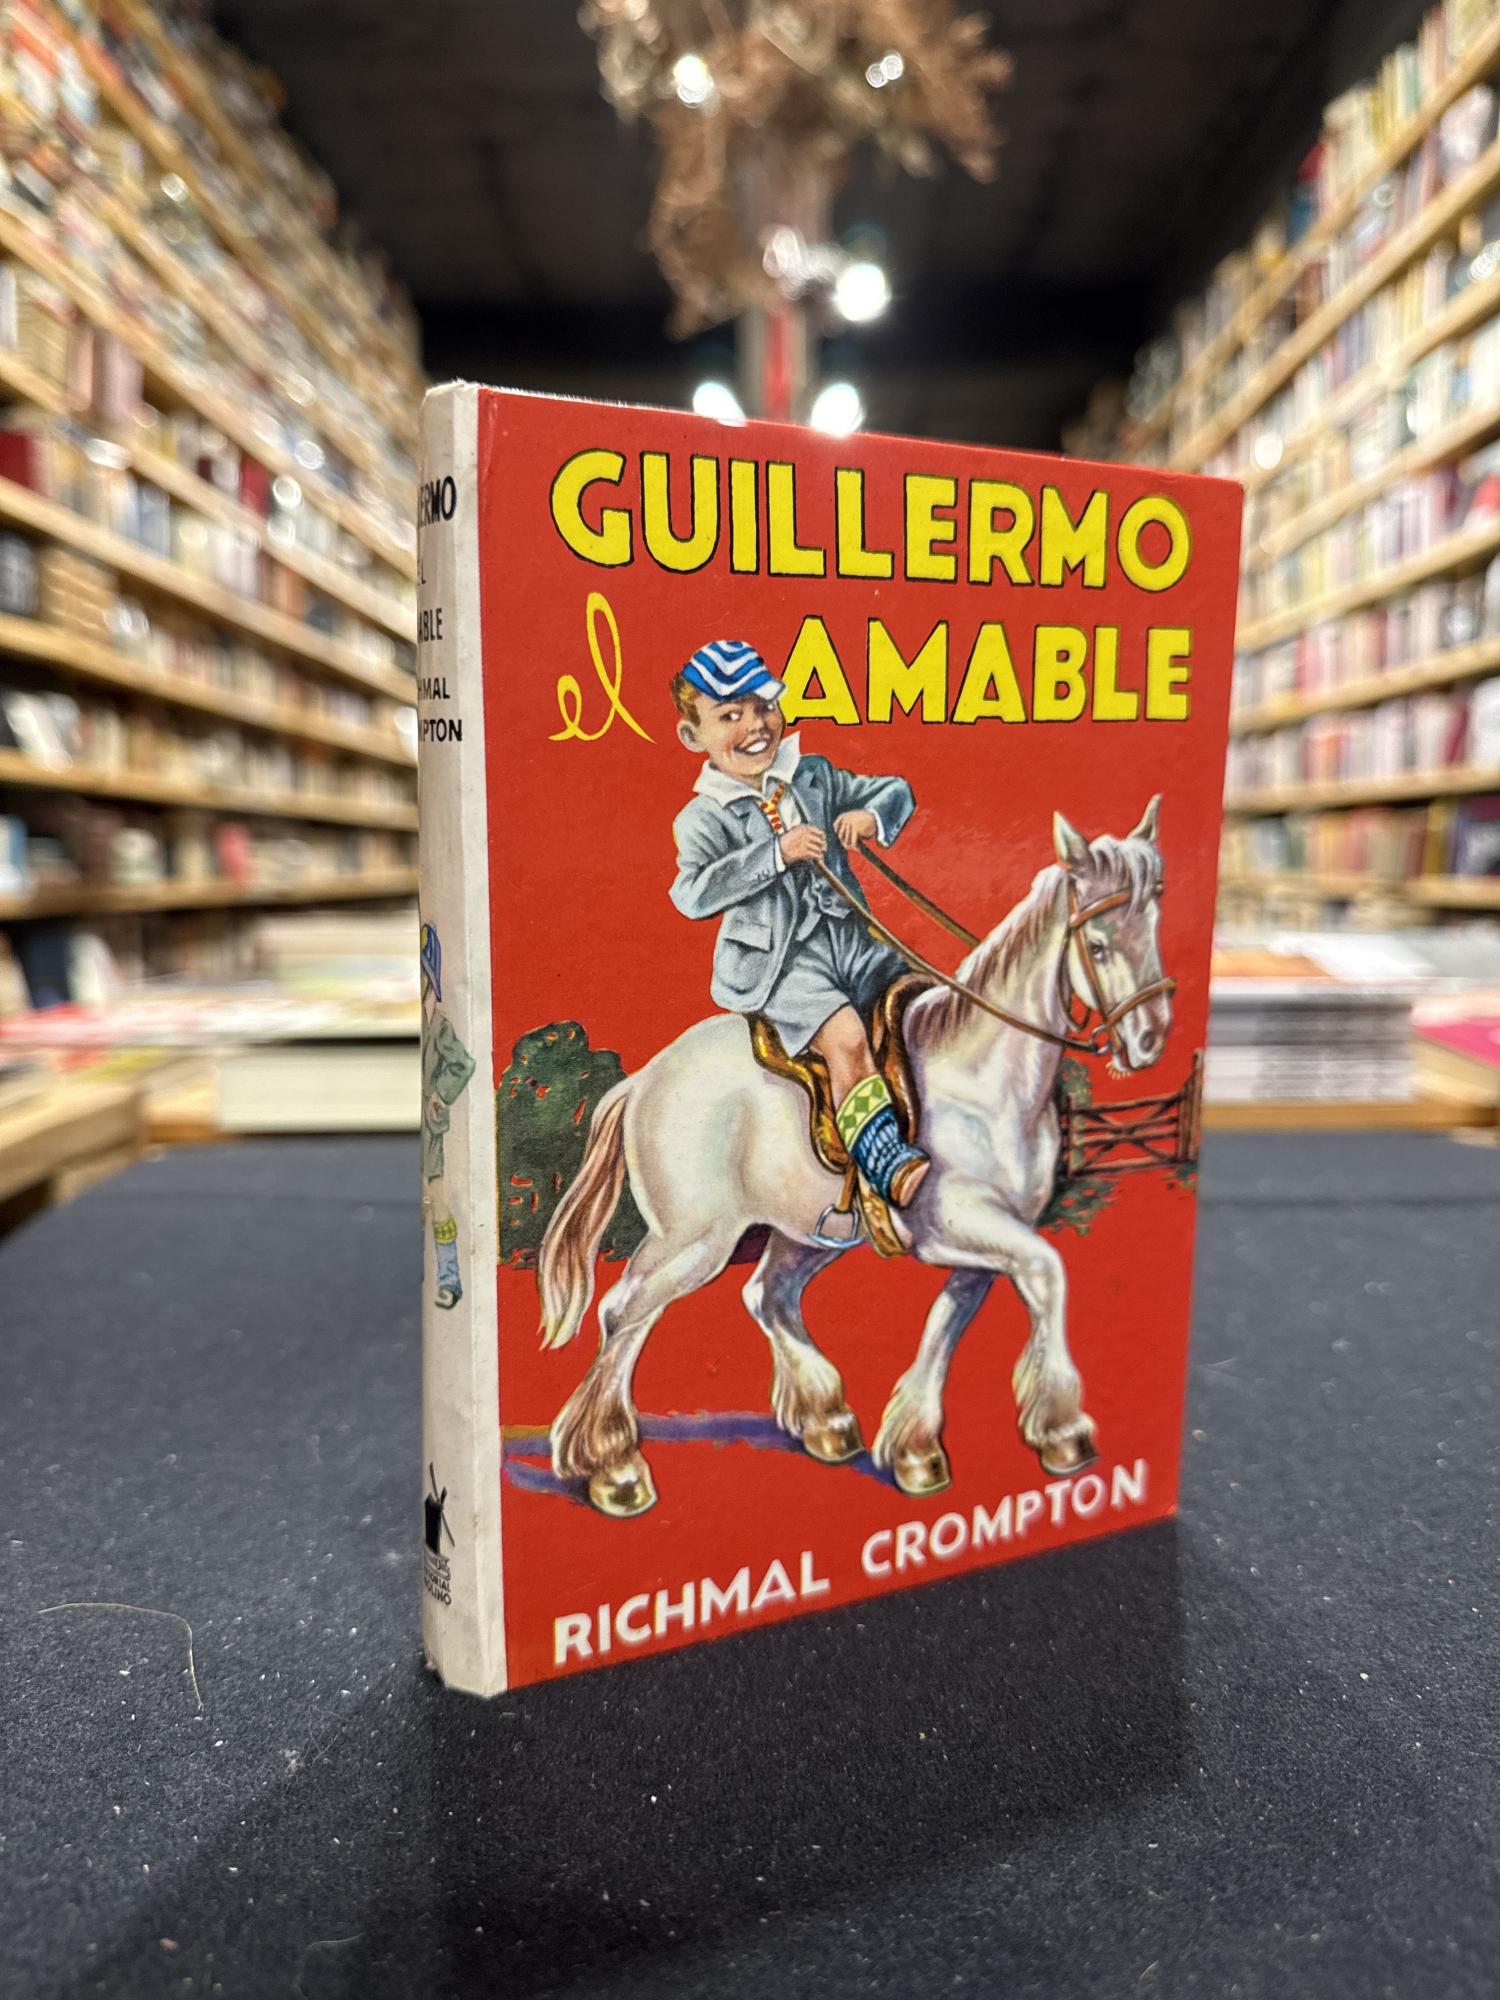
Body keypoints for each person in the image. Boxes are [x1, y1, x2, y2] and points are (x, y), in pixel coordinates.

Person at [668, 637, 930, 1210]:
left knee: (930, 1005)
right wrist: (776, 854)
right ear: (693, 736)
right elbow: (692, 893)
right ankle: (884, 1162)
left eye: (764, 706)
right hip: (781, 966)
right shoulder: (701, 817)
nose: (755, 726)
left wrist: (871, 815)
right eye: (729, 716)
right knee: (847, 1037)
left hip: (853, 943)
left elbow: (895, 791)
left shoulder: (812, 776)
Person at [420, 921, 476, 1309]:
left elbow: (463, 1064)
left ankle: (449, 1280)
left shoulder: (439, 1025)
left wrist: (440, 1095)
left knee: (438, 1201)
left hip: (430, 1126)